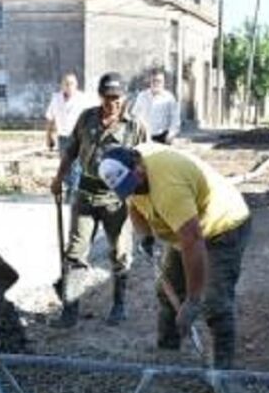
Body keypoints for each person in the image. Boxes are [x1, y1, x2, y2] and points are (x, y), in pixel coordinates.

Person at [97, 145, 252, 369]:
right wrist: (146, 235)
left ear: (139, 165)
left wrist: (192, 300)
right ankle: (168, 359)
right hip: (187, 227)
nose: (131, 190)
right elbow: (134, 205)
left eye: (132, 184)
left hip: (223, 226)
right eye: (125, 188)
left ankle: (223, 374)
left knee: (215, 302)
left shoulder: (167, 186)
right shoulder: (133, 180)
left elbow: (193, 241)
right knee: (167, 291)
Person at [50, 72, 148, 327]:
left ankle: (119, 305)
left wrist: (143, 197)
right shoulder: (87, 118)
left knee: (119, 252)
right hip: (84, 194)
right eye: (107, 97)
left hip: (116, 199)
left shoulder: (135, 126)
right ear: (100, 96)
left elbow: (147, 163)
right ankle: (70, 312)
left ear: (124, 97)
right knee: (75, 253)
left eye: (116, 98)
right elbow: (70, 150)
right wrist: (59, 178)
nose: (111, 103)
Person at [45, 72, 90, 201]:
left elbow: (90, 117)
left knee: (76, 166)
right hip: (62, 137)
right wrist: (48, 135)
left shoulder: (83, 99)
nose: (68, 86)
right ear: (62, 85)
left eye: (71, 84)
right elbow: (50, 118)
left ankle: (73, 195)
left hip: (78, 137)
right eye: (66, 83)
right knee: (64, 166)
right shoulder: (56, 98)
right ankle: (72, 191)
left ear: (76, 85)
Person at [131, 70, 180, 144]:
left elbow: (175, 120)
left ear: (163, 83)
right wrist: (142, 126)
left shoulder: (169, 98)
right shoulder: (142, 96)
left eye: (159, 81)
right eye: (154, 81)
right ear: (150, 81)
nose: (156, 83)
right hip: (144, 137)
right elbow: (135, 115)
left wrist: (171, 135)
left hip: (163, 137)